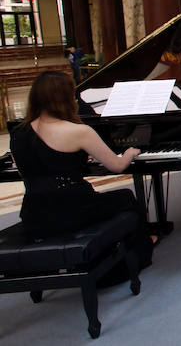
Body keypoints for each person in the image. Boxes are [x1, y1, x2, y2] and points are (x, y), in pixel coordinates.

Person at [9, 71, 154, 284]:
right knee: (126, 198)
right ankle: (135, 255)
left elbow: (26, 171)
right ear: (67, 97)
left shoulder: (19, 133)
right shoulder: (78, 131)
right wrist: (130, 153)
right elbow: (117, 166)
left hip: (35, 214)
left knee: (115, 201)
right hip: (73, 209)